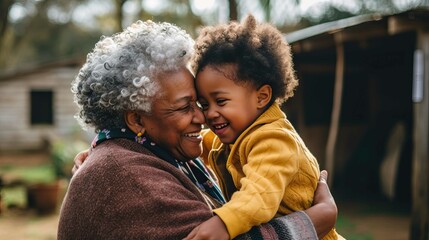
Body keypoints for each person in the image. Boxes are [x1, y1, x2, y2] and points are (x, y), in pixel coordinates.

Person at [58, 19, 337, 240]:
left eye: (201, 103)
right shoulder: (125, 174)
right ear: (137, 121)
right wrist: (316, 219)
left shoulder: (145, 150)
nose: (202, 117)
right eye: (186, 106)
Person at [185, 15, 342, 240]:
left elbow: (259, 196)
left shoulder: (274, 140)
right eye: (204, 104)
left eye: (220, 101)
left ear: (261, 97)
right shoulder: (232, 136)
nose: (209, 113)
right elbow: (199, 142)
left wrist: (224, 224)